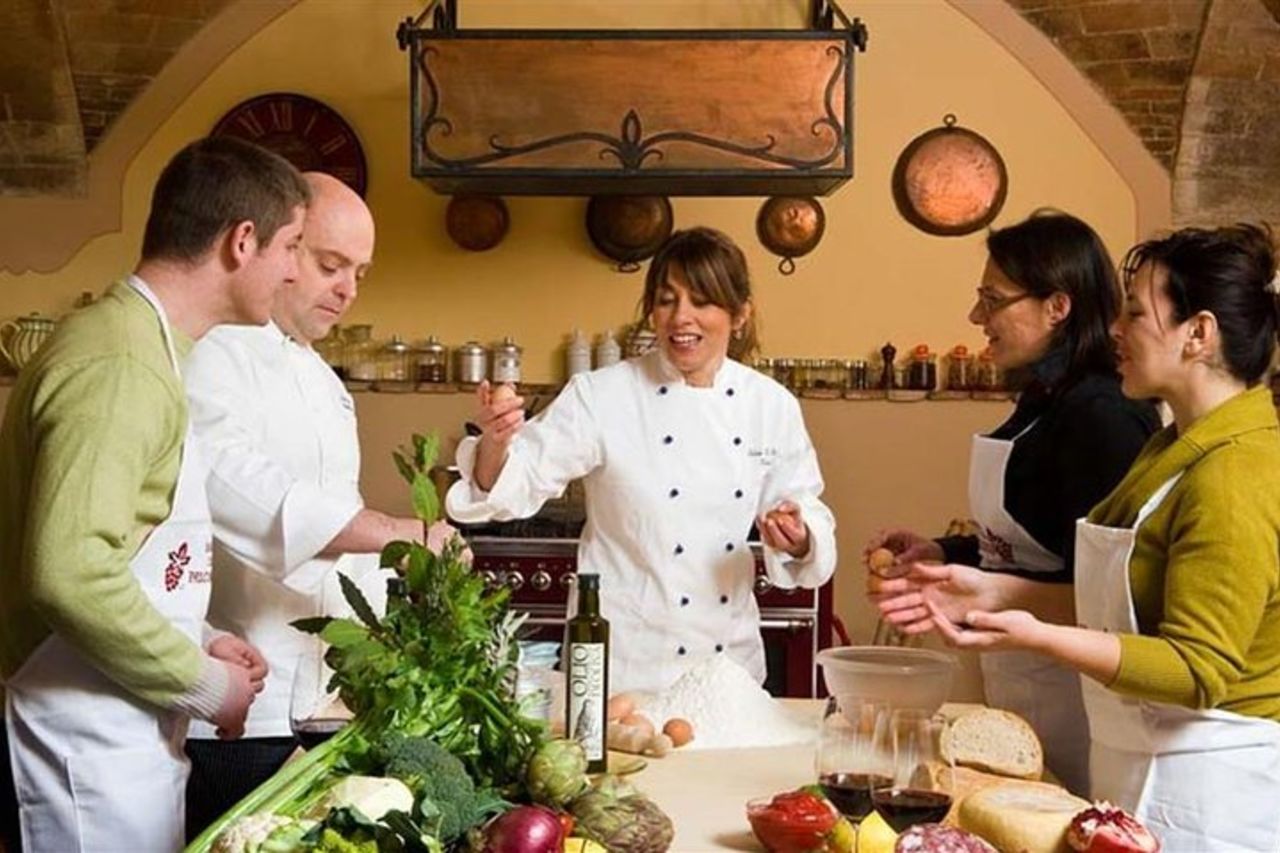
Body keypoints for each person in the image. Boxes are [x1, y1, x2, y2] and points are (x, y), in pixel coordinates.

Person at [912, 223, 1280, 850]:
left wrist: (1040, 636)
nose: (1113, 327)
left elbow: (1197, 668)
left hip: (1208, 797)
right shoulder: (1172, 450)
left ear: (1199, 334)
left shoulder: (1236, 471)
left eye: (1135, 311)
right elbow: (1122, 611)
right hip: (1142, 771)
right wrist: (997, 594)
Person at [0, 136, 308, 852]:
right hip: (84, 743)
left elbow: (125, 544)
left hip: (123, 734)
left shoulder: (148, 347)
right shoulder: (120, 363)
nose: (293, 271)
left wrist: (198, 635)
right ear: (242, 241)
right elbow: (68, 570)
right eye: (292, 246)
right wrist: (204, 682)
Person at [446, 226, 837, 694]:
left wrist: (797, 536)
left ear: (739, 314)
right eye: (667, 299)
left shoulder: (769, 405)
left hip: (726, 671)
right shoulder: (602, 394)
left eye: (702, 300)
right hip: (621, 668)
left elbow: (803, 506)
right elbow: (513, 483)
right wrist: (495, 442)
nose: (680, 318)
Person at [181, 172, 448, 838]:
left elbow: (337, 534)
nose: (349, 288)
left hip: (318, 706)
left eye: (360, 271)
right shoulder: (215, 352)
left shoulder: (324, 381)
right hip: (239, 704)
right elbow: (238, 488)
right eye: (332, 264)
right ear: (283, 244)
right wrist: (396, 530)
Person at [865, 211, 1159, 794]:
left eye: (992, 300)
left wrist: (981, 592)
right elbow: (1037, 540)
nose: (978, 317)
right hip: (1023, 679)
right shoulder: (1043, 398)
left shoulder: (1104, 416)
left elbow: (1111, 593)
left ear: (1058, 306)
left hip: (1078, 699)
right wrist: (944, 550)